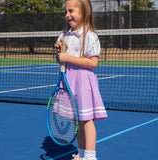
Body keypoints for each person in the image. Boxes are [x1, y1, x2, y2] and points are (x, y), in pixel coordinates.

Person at [55, 0, 108, 159]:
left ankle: (91, 156)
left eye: (71, 11)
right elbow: (61, 61)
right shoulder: (64, 35)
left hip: (83, 83)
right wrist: (59, 53)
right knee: (76, 120)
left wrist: (68, 57)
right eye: (66, 12)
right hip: (68, 82)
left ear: (84, 12)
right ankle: (82, 153)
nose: (67, 15)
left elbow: (93, 63)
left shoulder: (90, 36)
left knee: (86, 120)